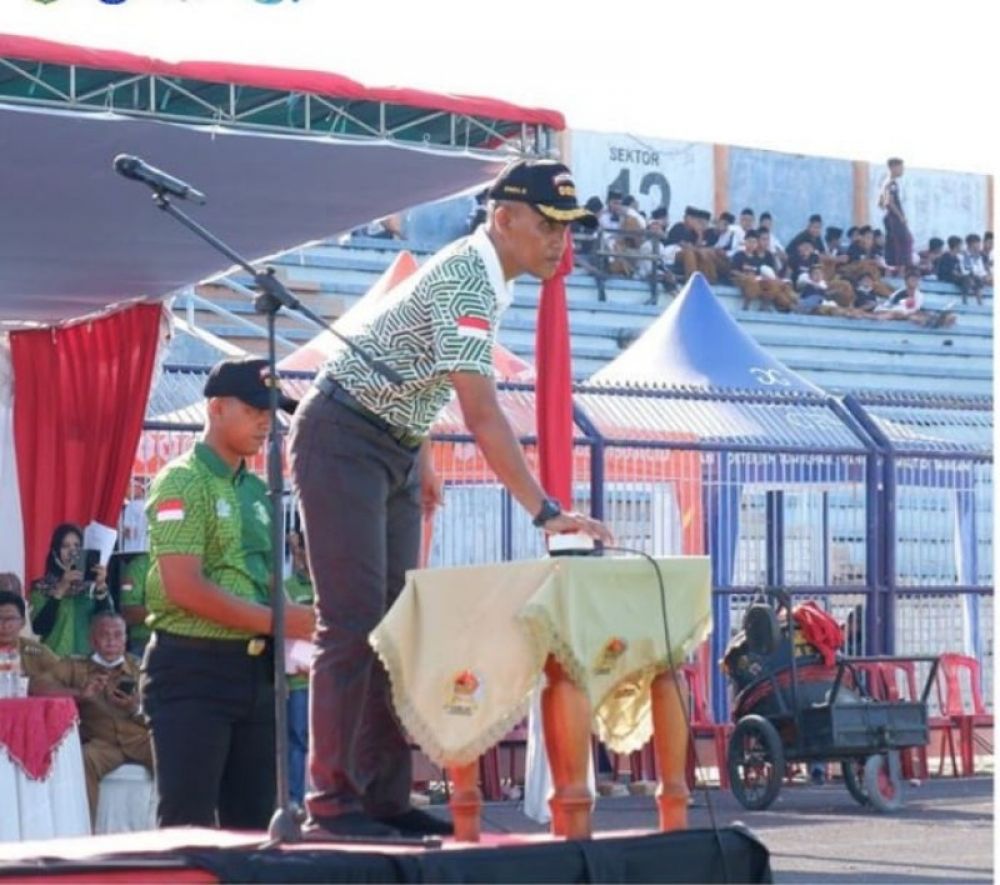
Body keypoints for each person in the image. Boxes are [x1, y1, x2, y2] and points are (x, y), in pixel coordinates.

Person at [289, 158, 613, 840]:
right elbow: (484, 414)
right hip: (344, 434)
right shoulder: (472, 274)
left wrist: (420, 451)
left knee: (393, 630)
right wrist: (547, 510)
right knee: (350, 627)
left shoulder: (488, 276)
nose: (560, 240)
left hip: (393, 441)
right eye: (549, 223)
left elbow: (419, 368)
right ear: (505, 218)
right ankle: (330, 803)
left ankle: (379, 797)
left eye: (567, 226)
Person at [140, 357, 315, 829]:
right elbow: (183, 587)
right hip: (192, 671)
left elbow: (267, 578)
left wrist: (303, 619)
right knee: (187, 826)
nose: (267, 422)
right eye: (256, 408)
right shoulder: (181, 480)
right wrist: (280, 621)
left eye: (273, 411)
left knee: (255, 827)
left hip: (256, 671)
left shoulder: (259, 491)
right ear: (216, 408)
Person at [34, 612, 152, 823]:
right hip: (102, 744)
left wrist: (136, 707)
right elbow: (37, 687)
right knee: (84, 758)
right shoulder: (74, 667)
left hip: (139, 739)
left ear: (126, 639)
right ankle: (85, 828)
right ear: (92, 639)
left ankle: (175, 827)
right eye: (105, 635)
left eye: (118, 635)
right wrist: (80, 694)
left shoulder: (140, 668)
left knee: (173, 754)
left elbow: (163, 706)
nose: (111, 641)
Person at [29, 523, 112, 656]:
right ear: (56, 552)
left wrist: (101, 586)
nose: (72, 551)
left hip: (87, 664)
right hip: (54, 664)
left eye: (77, 546)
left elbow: (107, 623)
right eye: (65, 546)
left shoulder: (91, 586)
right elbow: (39, 628)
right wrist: (60, 590)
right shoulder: (42, 587)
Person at [284, 530, 314, 809]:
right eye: (296, 551)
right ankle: (294, 799)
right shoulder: (287, 587)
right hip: (299, 680)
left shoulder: (332, 586)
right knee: (298, 739)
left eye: (304, 551)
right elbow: (286, 634)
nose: (301, 558)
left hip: (328, 679)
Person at [0, 584, 60, 692]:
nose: (4, 625)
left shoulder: (36, 652)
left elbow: (64, 674)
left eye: (10, 619)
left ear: (22, 622)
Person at [878, 157, 913, 270]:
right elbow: (889, 202)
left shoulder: (886, 183)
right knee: (902, 243)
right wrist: (900, 216)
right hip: (894, 219)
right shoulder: (891, 183)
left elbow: (880, 203)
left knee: (898, 242)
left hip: (891, 218)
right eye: (900, 168)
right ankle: (900, 270)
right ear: (893, 168)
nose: (902, 170)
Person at [118, 551, 151, 657]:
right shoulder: (140, 564)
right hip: (144, 643)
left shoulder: (195, 562)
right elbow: (128, 614)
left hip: (190, 642)